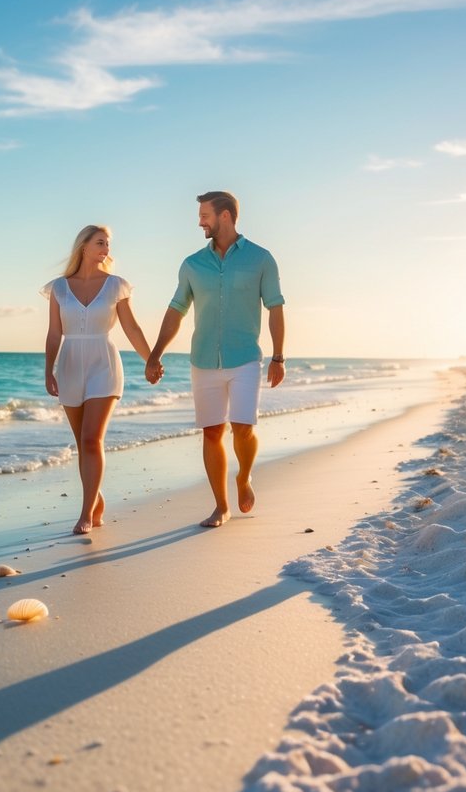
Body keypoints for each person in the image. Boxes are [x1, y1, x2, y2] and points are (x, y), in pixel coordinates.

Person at [145, 191, 285, 527]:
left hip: (245, 358)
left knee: (243, 427)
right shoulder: (192, 264)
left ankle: (244, 476)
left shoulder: (261, 259)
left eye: (204, 215)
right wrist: (155, 354)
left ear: (225, 216)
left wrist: (279, 357)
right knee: (211, 432)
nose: (199, 222)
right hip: (203, 359)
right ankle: (221, 506)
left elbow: (276, 307)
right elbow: (176, 311)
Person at [44, 225, 152, 535]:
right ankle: (97, 497)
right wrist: (48, 369)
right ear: (83, 247)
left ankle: (86, 514)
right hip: (69, 365)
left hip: (103, 363)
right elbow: (54, 333)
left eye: (108, 243)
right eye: (100, 242)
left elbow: (132, 328)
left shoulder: (116, 285)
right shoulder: (59, 288)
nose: (106, 248)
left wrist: (151, 360)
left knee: (92, 440)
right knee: (82, 444)